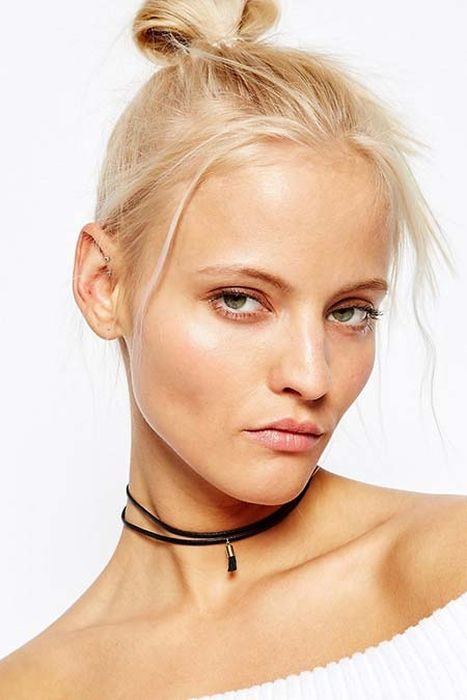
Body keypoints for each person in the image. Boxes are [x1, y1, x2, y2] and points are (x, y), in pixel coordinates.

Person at [1, 0, 467, 698]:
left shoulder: (451, 571)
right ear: (103, 283)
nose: (311, 375)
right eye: (240, 300)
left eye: (349, 312)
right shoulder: (35, 687)